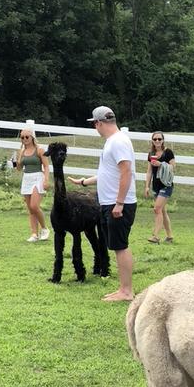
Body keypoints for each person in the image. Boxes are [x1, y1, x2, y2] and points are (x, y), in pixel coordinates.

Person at [69, 106, 136, 302]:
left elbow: (126, 172)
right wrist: (83, 182)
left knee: (120, 246)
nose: (95, 128)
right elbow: (108, 174)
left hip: (118, 203)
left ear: (98, 123)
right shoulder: (113, 141)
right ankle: (123, 288)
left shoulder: (117, 142)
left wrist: (119, 203)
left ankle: (126, 291)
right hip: (110, 202)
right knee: (116, 245)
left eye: (94, 125)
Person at [16, 128, 50, 242]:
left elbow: (46, 166)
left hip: (37, 178)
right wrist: (17, 161)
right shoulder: (21, 151)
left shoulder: (39, 150)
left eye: (27, 137)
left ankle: (44, 229)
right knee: (30, 209)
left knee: (34, 206)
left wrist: (46, 180)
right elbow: (19, 169)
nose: (24, 139)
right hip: (27, 178)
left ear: (32, 137)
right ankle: (34, 234)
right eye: (22, 137)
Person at [145, 131, 175, 244]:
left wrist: (160, 164)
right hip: (156, 186)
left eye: (159, 139)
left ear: (163, 140)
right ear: (152, 141)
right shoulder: (151, 153)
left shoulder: (168, 152)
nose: (157, 141)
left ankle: (155, 236)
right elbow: (149, 172)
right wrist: (147, 186)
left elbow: (173, 167)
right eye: (155, 139)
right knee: (162, 211)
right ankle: (169, 236)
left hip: (166, 185)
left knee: (157, 209)